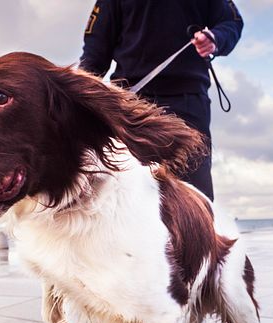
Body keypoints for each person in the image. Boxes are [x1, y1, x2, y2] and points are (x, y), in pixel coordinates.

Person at [79, 0, 243, 201]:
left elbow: (231, 22)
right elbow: (94, 58)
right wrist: (77, 104)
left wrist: (215, 38)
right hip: (132, 105)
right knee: (129, 193)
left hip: (189, 102)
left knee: (196, 196)